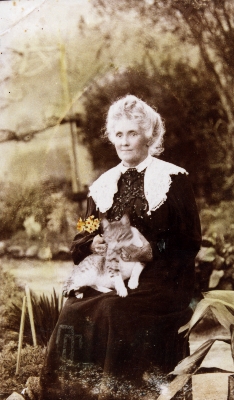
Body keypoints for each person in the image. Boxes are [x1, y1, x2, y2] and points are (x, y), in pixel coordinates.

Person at [39, 95, 201, 400]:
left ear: (149, 136)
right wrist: (92, 244)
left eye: (132, 133)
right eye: (118, 134)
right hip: (112, 276)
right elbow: (79, 237)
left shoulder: (173, 180)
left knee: (114, 308)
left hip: (161, 281)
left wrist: (152, 250)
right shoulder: (102, 186)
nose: (124, 142)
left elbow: (190, 240)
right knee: (74, 307)